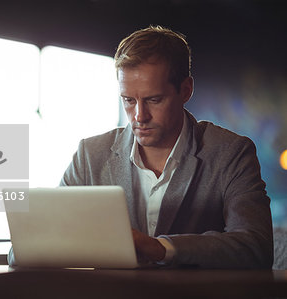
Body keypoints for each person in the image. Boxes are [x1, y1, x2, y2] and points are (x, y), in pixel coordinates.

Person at [60, 25, 273, 269]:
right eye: (128, 101)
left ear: (186, 90)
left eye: (154, 100)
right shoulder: (89, 155)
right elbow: (39, 240)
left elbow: (256, 247)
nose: (139, 116)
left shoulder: (231, 153)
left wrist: (161, 248)